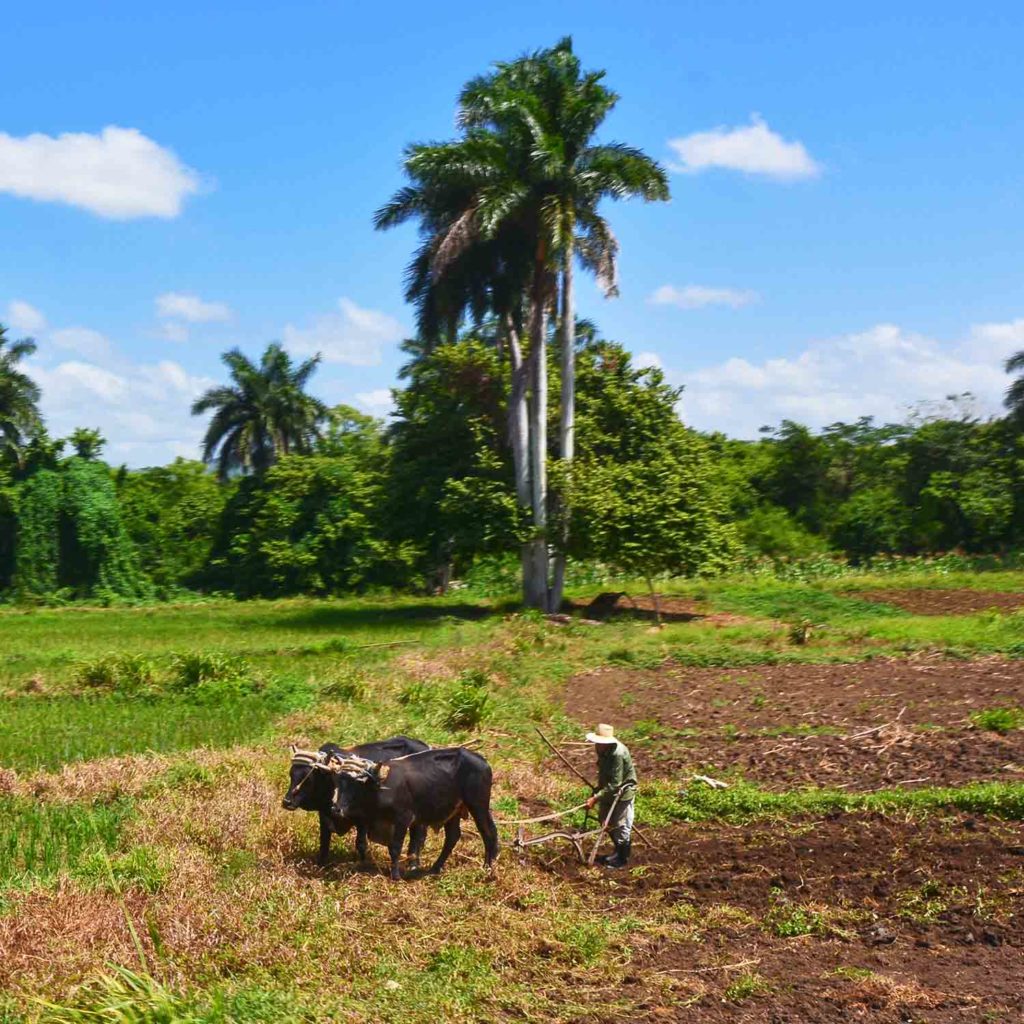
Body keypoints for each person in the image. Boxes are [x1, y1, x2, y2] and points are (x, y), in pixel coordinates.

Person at [584, 723, 637, 869]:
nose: (597, 746)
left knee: (621, 825)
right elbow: (603, 773)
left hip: (622, 792)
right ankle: (617, 851)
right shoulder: (602, 750)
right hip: (608, 791)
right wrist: (598, 791)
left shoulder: (617, 753)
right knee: (605, 820)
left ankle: (622, 859)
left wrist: (596, 798)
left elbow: (616, 783)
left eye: (600, 743)